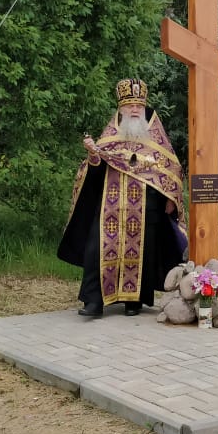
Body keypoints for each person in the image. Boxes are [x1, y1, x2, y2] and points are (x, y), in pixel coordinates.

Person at [57, 78, 187, 318]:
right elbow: (94, 172)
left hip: (146, 207)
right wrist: (93, 154)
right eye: (130, 106)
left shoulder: (155, 136)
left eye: (139, 105)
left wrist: (171, 198)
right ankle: (94, 301)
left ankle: (133, 301)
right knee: (97, 248)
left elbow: (172, 169)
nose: (135, 110)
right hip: (111, 206)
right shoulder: (110, 137)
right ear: (121, 108)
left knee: (142, 252)